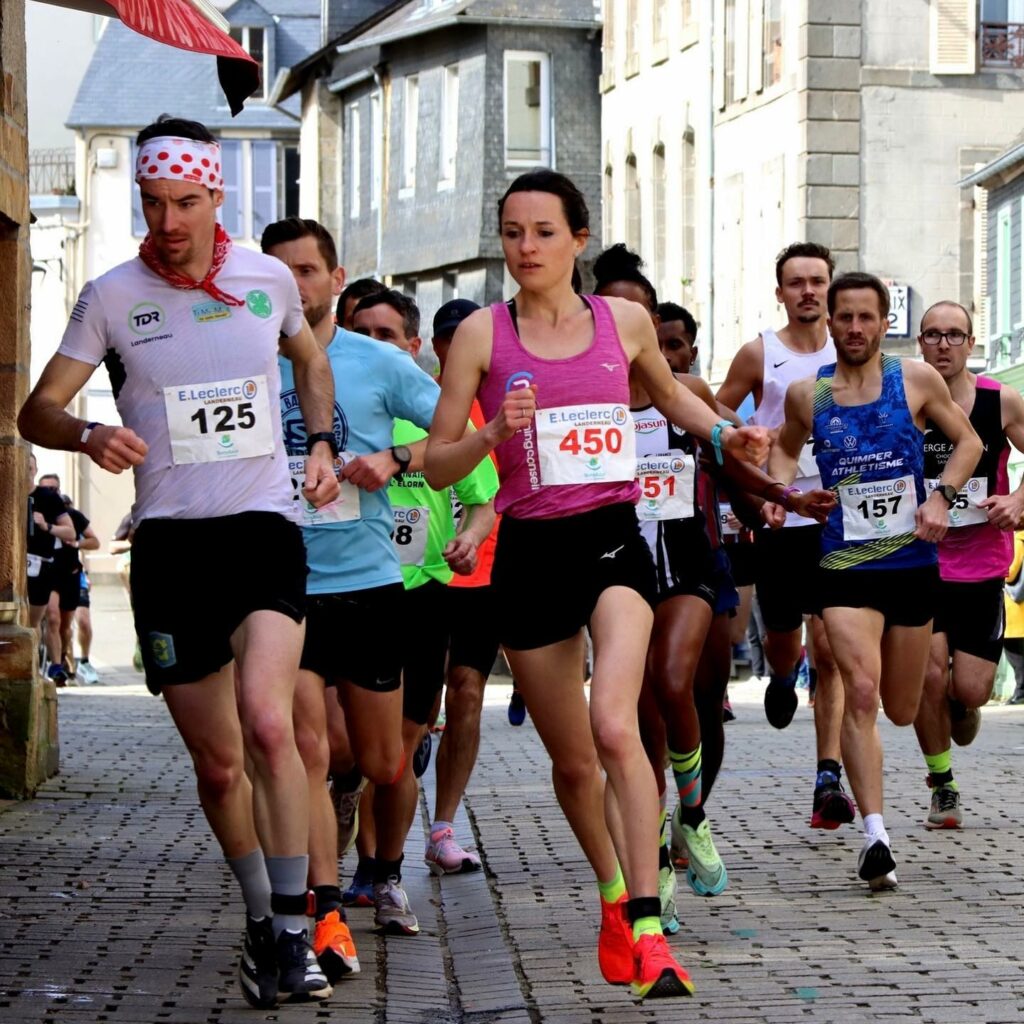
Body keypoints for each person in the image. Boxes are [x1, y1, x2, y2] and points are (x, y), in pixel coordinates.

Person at [19, 115, 341, 1008]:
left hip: (262, 529)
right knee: (218, 765)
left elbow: (310, 362)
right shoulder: (112, 294)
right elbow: (35, 412)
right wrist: (88, 430)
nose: (167, 221)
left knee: (269, 725)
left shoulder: (267, 279)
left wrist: (319, 441)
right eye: (153, 203)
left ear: (216, 197)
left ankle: (292, 927)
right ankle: (259, 923)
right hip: (170, 545)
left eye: (185, 203)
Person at [424, 168, 769, 999]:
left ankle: (650, 928)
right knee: (574, 760)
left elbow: (670, 398)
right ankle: (614, 896)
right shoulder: (480, 335)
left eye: (544, 231)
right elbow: (438, 464)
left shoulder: (622, 320)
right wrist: (493, 434)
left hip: (614, 543)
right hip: (532, 555)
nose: (526, 247)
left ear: (578, 239)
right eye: (512, 232)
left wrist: (728, 436)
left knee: (617, 723)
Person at [263, 217, 442, 980]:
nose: (293, 285)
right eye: (279, 272)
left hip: (369, 582)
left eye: (307, 270)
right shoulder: (244, 359)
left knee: (377, 760)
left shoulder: (375, 362)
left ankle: (360, 837)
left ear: (336, 279)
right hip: (278, 586)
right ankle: (323, 912)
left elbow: (460, 435)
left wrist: (393, 456)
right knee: (311, 747)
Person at [770, 271, 982, 889]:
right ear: (829, 323)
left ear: (884, 323)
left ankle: (940, 731)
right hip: (842, 563)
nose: (855, 329)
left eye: (867, 318)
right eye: (845, 318)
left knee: (901, 705)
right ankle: (876, 836)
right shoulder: (809, 395)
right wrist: (783, 496)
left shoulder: (912, 379)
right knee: (860, 690)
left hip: (911, 563)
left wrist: (941, 496)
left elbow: (967, 444)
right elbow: (784, 453)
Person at [348, 289, 497, 931]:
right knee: (338, 754)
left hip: (423, 600)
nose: (376, 345)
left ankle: (381, 875)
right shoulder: (328, 414)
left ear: (415, 347)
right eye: (363, 332)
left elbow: (484, 496)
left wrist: (467, 535)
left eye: (389, 334)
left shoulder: (434, 419)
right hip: (346, 593)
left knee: (397, 754)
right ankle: (332, 886)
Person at [717, 242, 854, 833]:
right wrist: (747, 437)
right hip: (778, 514)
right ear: (780, 292)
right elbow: (713, 419)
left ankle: (828, 775)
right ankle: (778, 673)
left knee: (831, 647)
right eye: (795, 282)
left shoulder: (852, 352)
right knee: (784, 638)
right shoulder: (759, 353)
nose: (808, 291)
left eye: (817, 281)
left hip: (839, 517)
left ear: (830, 287)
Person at [911, 301, 1024, 828]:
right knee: (929, 677)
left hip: (980, 566)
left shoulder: (1001, 402)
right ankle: (943, 785)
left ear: (971, 343)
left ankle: (965, 702)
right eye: (932, 334)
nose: (942, 344)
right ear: (919, 342)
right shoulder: (903, 401)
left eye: (954, 335)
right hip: (919, 564)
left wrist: (1020, 500)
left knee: (969, 689)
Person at [426, 298, 506, 875]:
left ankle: (443, 826)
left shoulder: (510, 404)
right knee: (421, 703)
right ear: (437, 351)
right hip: (418, 575)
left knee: (469, 692)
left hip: (489, 573)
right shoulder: (417, 401)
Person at [41, 482, 100, 680]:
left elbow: (95, 541)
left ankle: (64, 656)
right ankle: (56, 666)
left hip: (71, 575)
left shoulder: (73, 516)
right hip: (48, 575)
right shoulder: (36, 515)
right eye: (46, 489)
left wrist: (76, 543)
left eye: (54, 489)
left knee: (65, 626)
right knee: (53, 617)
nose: (51, 493)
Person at [26, 455, 77, 685]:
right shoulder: (8, 492)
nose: (25, 472)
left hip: (40, 565)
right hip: (12, 566)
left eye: (30, 468)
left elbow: (70, 533)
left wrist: (45, 526)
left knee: (31, 622)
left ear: (35, 470)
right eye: (22, 467)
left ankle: (33, 669)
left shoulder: (47, 498)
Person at [1004, 531, 1024, 704]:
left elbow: (1009, 573)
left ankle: (1020, 692)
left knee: (1014, 653)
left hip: (1017, 608)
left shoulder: (1019, 539)